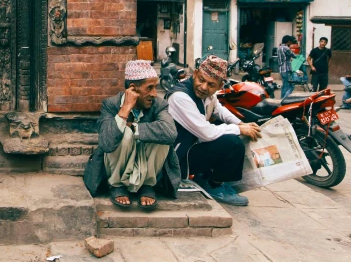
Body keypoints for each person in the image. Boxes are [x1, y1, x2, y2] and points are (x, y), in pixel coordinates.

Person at [166, 56, 262, 206]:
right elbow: (207, 134)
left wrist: (240, 123)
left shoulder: (208, 95)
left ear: (220, 86)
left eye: (211, 85)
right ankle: (213, 184)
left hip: (193, 146)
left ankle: (204, 176)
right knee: (233, 143)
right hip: (178, 157)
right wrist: (239, 129)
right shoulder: (180, 97)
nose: (204, 87)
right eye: (201, 80)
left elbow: (219, 110)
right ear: (195, 73)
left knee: (227, 127)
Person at [83, 60, 179, 209]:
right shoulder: (111, 105)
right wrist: (125, 109)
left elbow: (170, 133)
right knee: (124, 134)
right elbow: (106, 142)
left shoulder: (159, 105)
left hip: (147, 168)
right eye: (150, 88)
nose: (154, 94)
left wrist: (134, 128)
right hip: (115, 169)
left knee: (160, 138)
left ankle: (147, 185)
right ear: (133, 88)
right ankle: (117, 185)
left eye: (156, 87)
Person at [278, 35, 296, 99]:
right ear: (288, 41)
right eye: (291, 42)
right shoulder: (286, 48)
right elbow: (294, 55)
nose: (291, 44)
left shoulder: (279, 47)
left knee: (284, 86)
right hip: (286, 69)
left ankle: (282, 98)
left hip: (281, 69)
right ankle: (284, 99)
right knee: (290, 86)